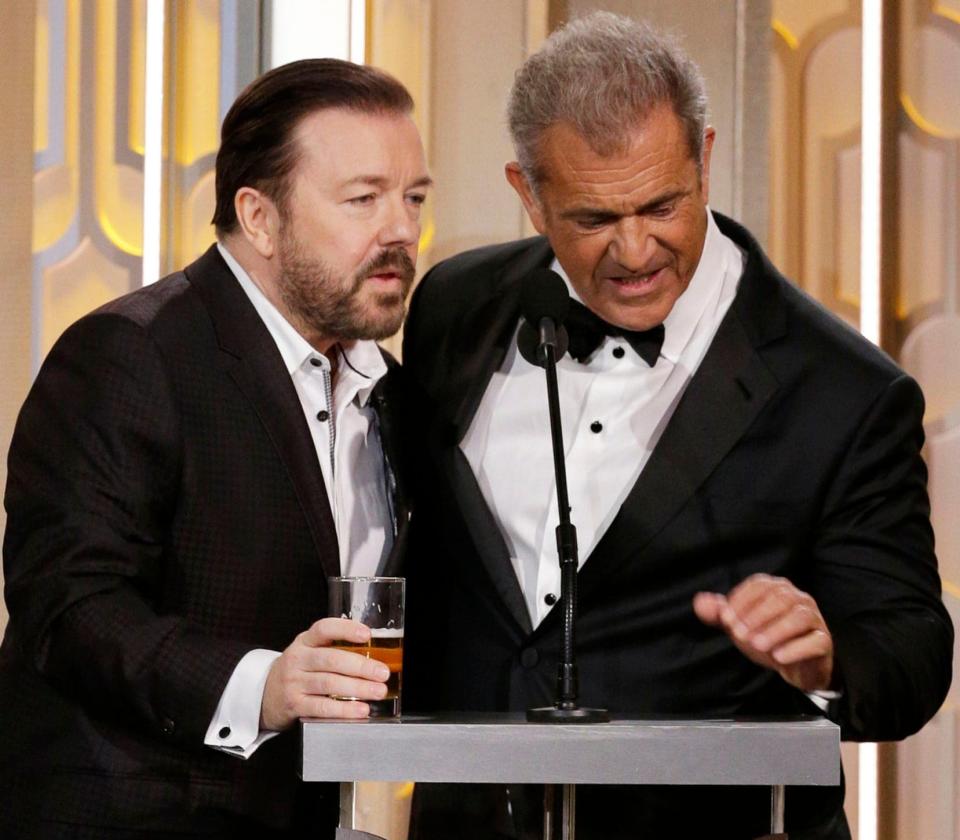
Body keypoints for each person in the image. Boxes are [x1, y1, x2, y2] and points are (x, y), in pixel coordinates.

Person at [402, 13, 952, 840]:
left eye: (662, 205)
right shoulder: (452, 306)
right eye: (593, 218)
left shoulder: (844, 393)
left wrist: (825, 654)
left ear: (705, 159)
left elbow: (911, 655)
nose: (634, 250)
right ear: (529, 192)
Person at [0, 58, 431, 838]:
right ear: (259, 217)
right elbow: (68, 607)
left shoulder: (394, 390)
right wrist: (262, 686)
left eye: (414, 198)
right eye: (364, 198)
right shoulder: (130, 355)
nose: (401, 228)